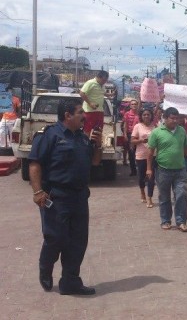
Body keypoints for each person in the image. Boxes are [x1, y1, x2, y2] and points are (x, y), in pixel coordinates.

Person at [28, 98, 102, 295]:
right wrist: (37, 191)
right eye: (80, 112)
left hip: (79, 197)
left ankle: (70, 282)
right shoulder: (49, 135)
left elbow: (95, 162)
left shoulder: (83, 138)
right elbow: (34, 164)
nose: (84, 116)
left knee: (78, 241)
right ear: (67, 115)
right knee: (56, 238)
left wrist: (98, 145)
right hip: (56, 196)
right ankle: (45, 267)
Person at [146, 107, 187, 232]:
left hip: (180, 169)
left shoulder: (182, 131)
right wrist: (149, 169)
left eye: (176, 118)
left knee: (182, 194)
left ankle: (181, 221)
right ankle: (166, 221)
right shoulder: (156, 132)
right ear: (165, 118)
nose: (175, 121)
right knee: (164, 197)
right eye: (172, 118)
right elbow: (150, 153)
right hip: (163, 170)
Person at [130, 108, 157, 208]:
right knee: (142, 177)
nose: (146, 116)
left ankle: (149, 198)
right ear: (141, 116)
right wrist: (141, 140)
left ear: (151, 116)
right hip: (141, 155)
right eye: (144, 114)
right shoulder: (138, 126)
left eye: (148, 114)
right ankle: (142, 192)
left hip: (153, 155)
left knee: (151, 178)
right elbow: (132, 140)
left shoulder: (155, 126)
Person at [79, 70, 109, 135]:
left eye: (106, 80)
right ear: (98, 77)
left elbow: (103, 93)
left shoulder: (102, 85)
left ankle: (95, 145)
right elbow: (82, 93)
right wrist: (90, 103)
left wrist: (111, 95)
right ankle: (85, 144)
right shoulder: (90, 83)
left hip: (100, 111)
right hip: (89, 111)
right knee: (87, 130)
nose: (104, 82)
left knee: (98, 130)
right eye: (103, 80)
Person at [122, 99, 140, 176]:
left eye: (135, 104)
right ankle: (133, 171)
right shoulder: (127, 114)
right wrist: (125, 134)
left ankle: (141, 169)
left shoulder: (139, 114)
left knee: (139, 153)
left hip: (139, 135)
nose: (134, 105)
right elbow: (125, 125)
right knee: (131, 153)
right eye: (132, 104)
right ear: (130, 105)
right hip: (130, 135)